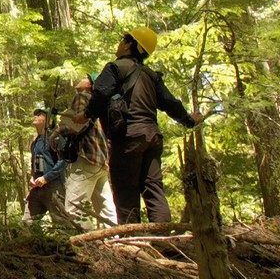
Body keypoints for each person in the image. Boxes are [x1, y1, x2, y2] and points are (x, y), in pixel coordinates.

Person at [75, 28, 203, 224]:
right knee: (153, 188)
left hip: (127, 139)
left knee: (126, 192)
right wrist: (189, 120)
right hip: (152, 137)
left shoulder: (114, 68)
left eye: (121, 40)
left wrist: (86, 115)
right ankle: (163, 238)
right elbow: (170, 103)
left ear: (128, 44)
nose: (119, 44)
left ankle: (133, 242)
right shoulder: (151, 76)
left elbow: (100, 94)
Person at [61, 75, 117, 231]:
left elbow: (79, 124)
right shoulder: (100, 104)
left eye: (86, 78)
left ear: (89, 85)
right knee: (106, 208)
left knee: (73, 206)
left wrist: (59, 131)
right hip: (101, 162)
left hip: (86, 158)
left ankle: (90, 244)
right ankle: (116, 241)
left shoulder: (82, 96)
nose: (81, 78)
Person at [22, 108, 68, 224]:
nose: (36, 116)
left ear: (47, 120)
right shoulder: (35, 142)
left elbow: (64, 160)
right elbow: (34, 163)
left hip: (54, 186)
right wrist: (33, 177)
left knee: (62, 222)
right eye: (35, 114)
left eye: (40, 114)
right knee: (28, 222)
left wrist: (46, 178)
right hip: (37, 188)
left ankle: (72, 241)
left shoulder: (55, 137)